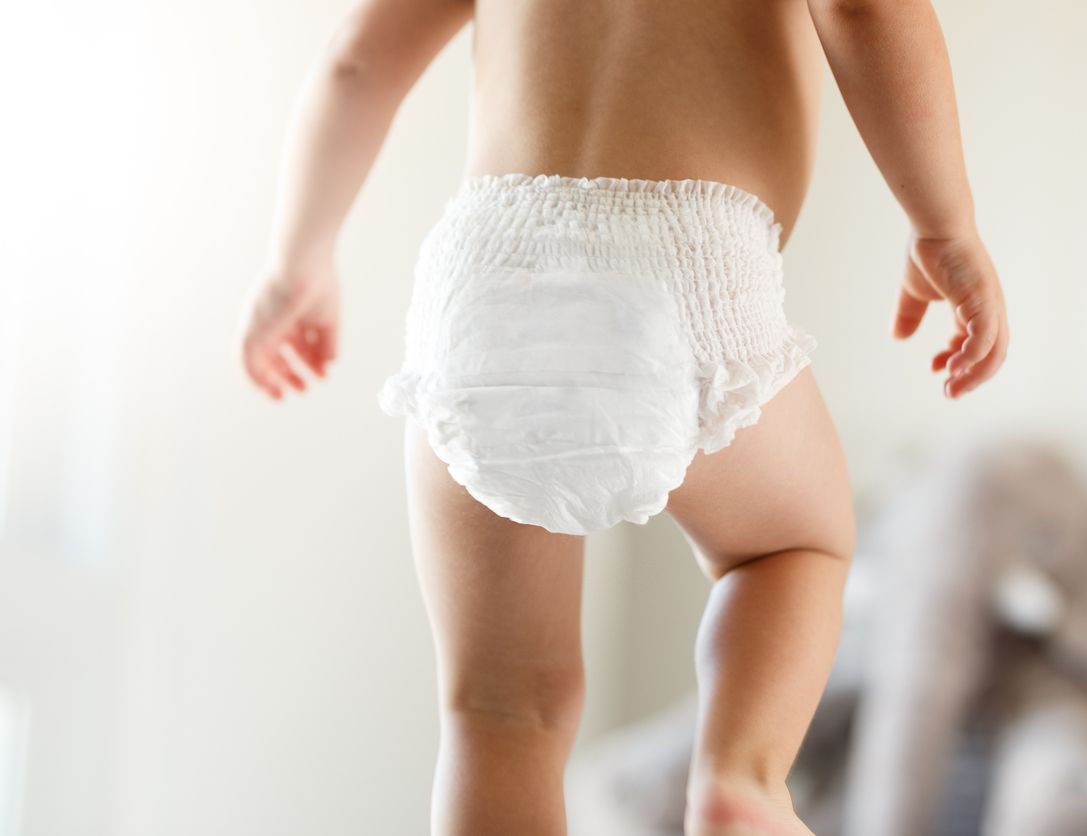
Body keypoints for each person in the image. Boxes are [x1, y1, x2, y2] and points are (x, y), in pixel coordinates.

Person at [233, 0, 1009, 833]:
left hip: (488, 271)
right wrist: (944, 225)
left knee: (499, 714)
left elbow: (358, 58)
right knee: (794, 547)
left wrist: (297, 259)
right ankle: (741, 778)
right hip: (688, 261)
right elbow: (865, 10)